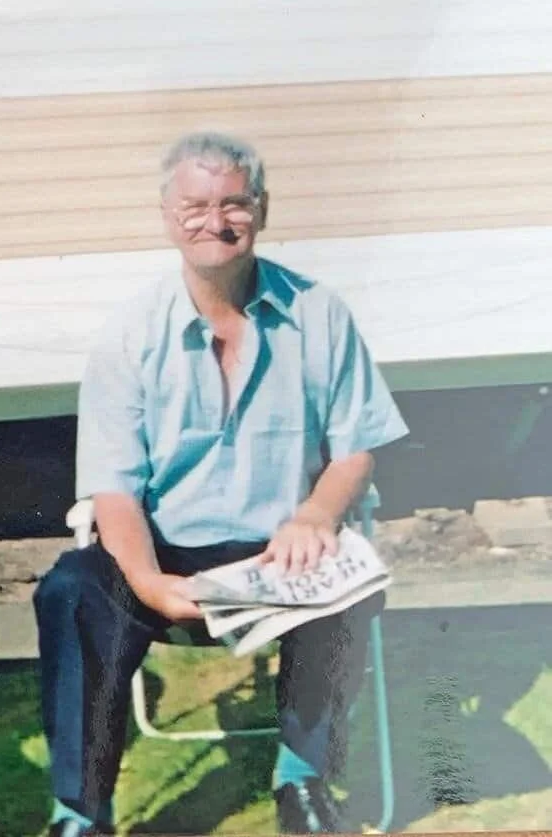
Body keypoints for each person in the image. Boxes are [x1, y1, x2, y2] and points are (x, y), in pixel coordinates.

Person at [34, 131, 409, 836]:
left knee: (350, 579)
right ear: (168, 215)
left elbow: (356, 446)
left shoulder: (319, 313)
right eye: (196, 205)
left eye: (234, 202)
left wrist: (318, 514)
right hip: (166, 551)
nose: (216, 220)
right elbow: (113, 488)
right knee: (71, 587)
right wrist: (148, 582)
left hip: (279, 551)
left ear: (262, 210)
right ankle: (80, 812)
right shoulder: (129, 333)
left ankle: (304, 782)